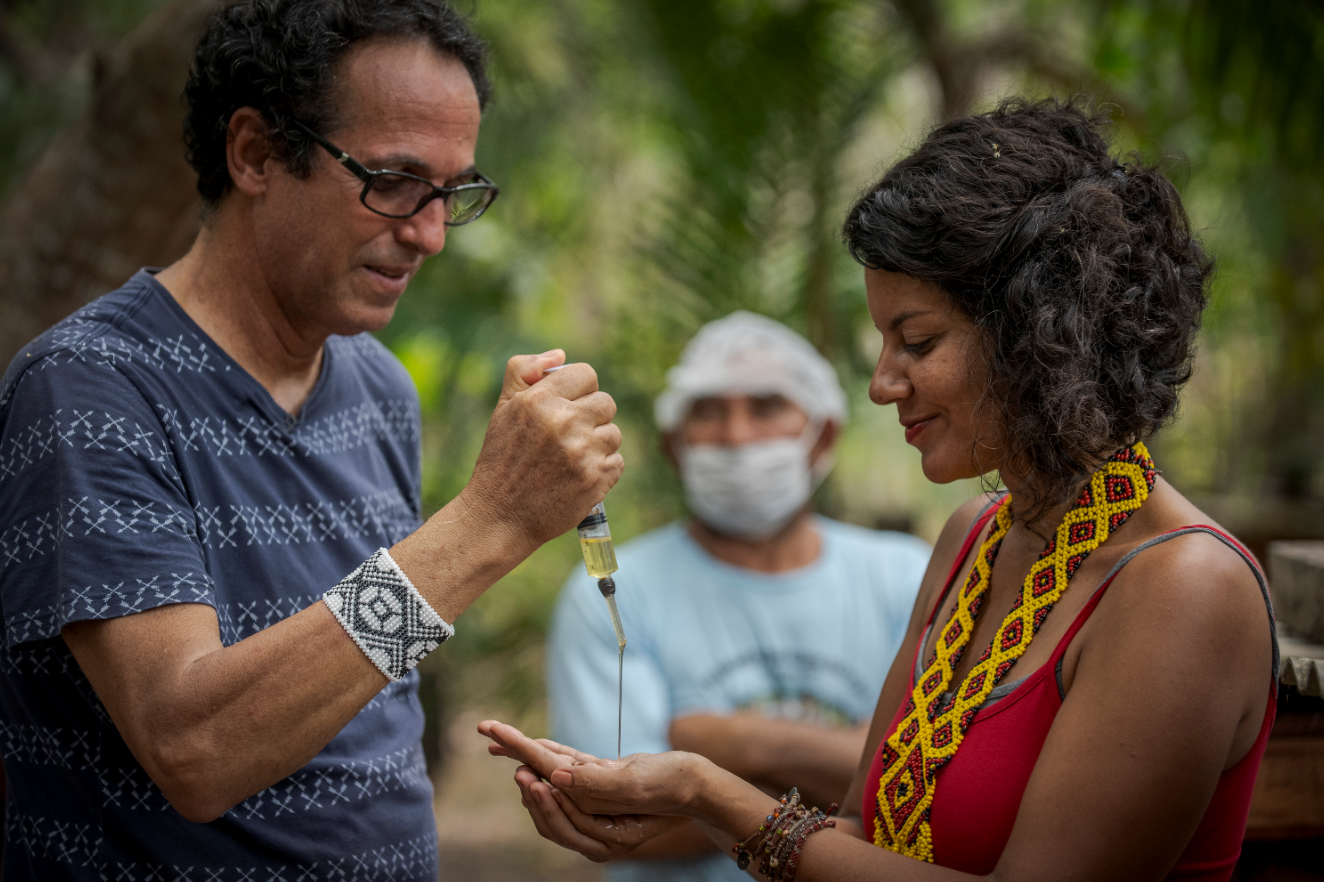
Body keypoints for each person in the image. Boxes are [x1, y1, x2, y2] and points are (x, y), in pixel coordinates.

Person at [480, 97, 1279, 882]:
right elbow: (868, 831)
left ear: (1040, 335)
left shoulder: (1184, 587)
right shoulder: (978, 534)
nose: (882, 384)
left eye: (917, 340)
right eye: (882, 340)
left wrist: (710, 790)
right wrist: (673, 799)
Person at [0, 1, 621, 878]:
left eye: (453, 193)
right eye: (395, 180)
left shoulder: (380, 387)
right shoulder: (90, 385)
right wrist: (491, 522)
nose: (430, 233)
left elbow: (360, 689)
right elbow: (197, 748)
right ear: (254, 152)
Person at [547, 311, 930, 882]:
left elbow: (941, 791)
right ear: (674, 446)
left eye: (767, 406)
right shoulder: (612, 596)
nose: (736, 436)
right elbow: (617, 821)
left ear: (822, 432)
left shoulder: (910, 576)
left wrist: (728, 746)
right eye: (707, 411)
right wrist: (852, 778)